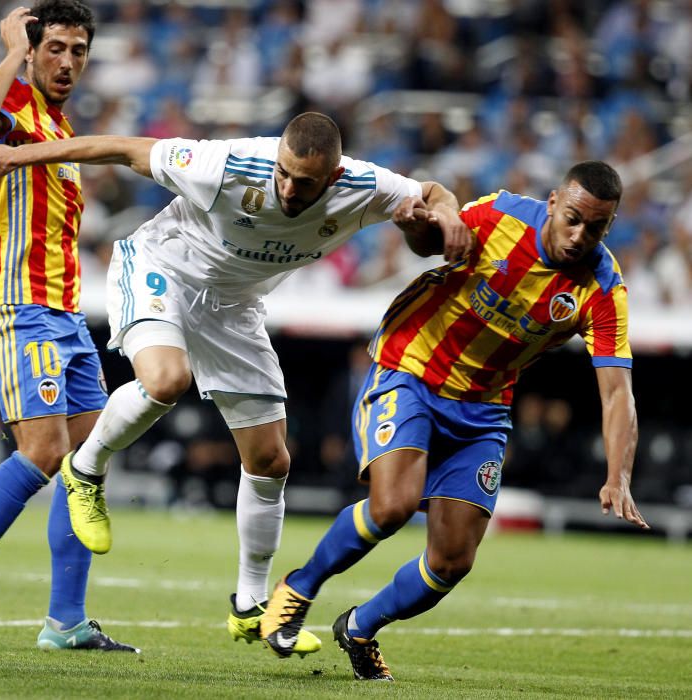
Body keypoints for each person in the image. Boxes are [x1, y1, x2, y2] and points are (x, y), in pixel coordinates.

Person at [0, 110, 471, 655]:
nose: (291, 188)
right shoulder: (228, 164)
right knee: (167, 379)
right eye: (285, 174)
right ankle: (86, 469)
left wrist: (446, 215)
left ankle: (249, 605)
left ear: (335, 177)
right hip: (161, 270)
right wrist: (13, 156)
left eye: (306, 182)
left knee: (271, 460)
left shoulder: (365, 185)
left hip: (234, 307)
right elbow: (119, 148)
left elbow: (432, 191)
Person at [256, 160, 649, 681]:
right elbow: (431, 243)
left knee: (452, 560)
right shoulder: (500, 216)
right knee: (392, 505)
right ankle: (300, 586)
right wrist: (416, 223)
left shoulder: (601, 288)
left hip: (483, 412)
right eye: (573, 218)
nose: (580, 236)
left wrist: (618, 474)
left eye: (596, 227)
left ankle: (358, 627)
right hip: (412, 368)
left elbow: (617, 391)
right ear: (554, 202)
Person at [0, 1, 137, 654]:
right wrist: (15, 50)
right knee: (43, 451)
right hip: (20, 307)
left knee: (86, 460)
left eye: (78, 50)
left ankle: (65, 622)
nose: (67, 61)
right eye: (55, 48)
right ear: (31, 47)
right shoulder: (15, 107)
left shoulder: (57, 124)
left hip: (65, 312)